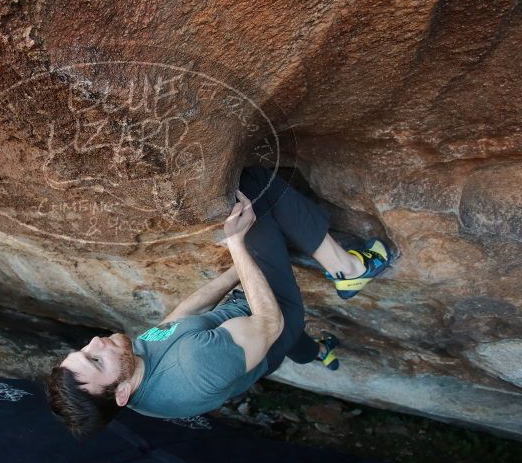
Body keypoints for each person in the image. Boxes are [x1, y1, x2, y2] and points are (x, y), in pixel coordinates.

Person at [46, 165, 391, 438]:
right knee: (252, 186)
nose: (95, 342)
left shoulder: (128, 373)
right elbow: (270, 324)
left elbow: (180, 318)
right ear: (121, 394)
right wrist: (239, 245)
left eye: (82, 350)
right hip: (272, 318)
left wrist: (236, 271)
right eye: (95, 359)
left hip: (248, 343)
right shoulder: (195, 367)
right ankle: (349, 269)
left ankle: (317, 353)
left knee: (281, 342)